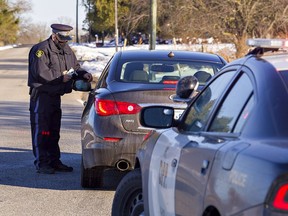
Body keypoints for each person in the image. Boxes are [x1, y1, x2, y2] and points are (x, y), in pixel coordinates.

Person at [28, 23, 93, 174]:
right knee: (42, 131)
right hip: (42, 97)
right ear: (54, 36)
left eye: (67, 38)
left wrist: (83, 74)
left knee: (53, 131)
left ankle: (54, 161)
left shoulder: (67, 50)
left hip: (56, 96)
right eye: (62, 38)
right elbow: (40, 73)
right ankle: (42, 163)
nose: (65, 41)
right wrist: (60, 78)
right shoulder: (41, 50)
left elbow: (74, 68)